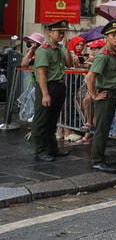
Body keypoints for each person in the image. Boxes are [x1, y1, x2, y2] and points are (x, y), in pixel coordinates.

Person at [31, 20, 73, 162]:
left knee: (52, 120)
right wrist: (45, 94)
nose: (62, 35)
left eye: (63, 33)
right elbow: (41, 74)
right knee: (42, 120)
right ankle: (40, 150)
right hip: (47, 86)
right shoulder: (44, 50)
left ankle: (52, 149)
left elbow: (69, 63)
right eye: (59, 32)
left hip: (59, 86)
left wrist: (66, 48)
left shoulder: (60, 48)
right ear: (50, 33)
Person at [84, 21, 116, 173]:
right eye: (113, 35)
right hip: (105, 94)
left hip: (111, 93)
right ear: (106, 37)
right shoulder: (104, 54)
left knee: (105, 127)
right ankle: (96, 160)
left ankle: (100, 156)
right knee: (101, 128)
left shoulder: (112, 53)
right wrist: (94, 95)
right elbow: (90, 76)